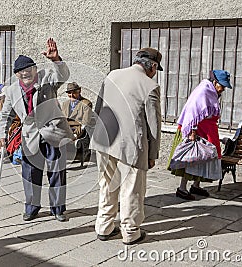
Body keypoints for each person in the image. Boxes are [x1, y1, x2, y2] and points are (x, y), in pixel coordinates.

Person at [90, 48, 162, 245]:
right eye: (156, 68)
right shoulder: (150, 85)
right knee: (131, 188)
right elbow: (154, 125)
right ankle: (130, 231)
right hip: (131, 145)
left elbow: (98, 108)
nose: (155, 72)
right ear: (152, 66)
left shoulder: (112, 75)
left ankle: (104, 226)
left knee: (107, 184)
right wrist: (153, 153)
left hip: (105, 139)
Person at [0, 38, 73, 222]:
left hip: (53, 132)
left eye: (29, 70)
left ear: (34, 70)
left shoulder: (47, 78)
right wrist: (1, 135)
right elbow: (5, 114)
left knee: (57, 172)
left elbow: (63, 75)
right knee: (30, 174)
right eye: (21, 72)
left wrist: (56, 60)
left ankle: (58, 209)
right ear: (16, 75)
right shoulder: (12, 90)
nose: (26, 74)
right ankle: (32, 207)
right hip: (30, 136)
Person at [168, 70, 232, 200]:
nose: (223, 89)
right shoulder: (203, 91)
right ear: (215, 82)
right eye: (222, 86)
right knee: (191, 159)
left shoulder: (212, 92)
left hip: (207, 131)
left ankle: (196, 186)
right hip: (196, 131)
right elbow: (192, 112)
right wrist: (192, 131)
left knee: (204, 158)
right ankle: (182, 188)